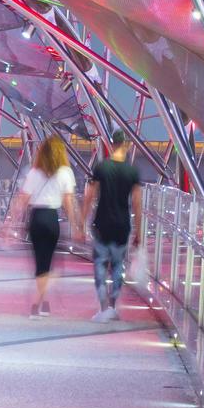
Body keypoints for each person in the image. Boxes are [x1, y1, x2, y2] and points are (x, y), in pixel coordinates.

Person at [13, 135, 79, 319]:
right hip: (51, 218)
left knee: (40, 264)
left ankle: (42, 303)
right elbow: (68, 202)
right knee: (49, 264)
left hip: (36, 218)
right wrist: (75, 225)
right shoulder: (66, 172)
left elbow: (23, 200)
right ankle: (37, 303)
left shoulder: (34, 172)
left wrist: (10, 222)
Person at [82, 131, 142, 322]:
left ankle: (102, 308)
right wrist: (139, 231)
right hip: (122, 225)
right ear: (126, 145)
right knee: (117, 266)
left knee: (100, 264)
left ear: (112, 144)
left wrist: (82, 221)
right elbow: (137, 204)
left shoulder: (102, 167)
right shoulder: (132, 172)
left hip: (102, 223)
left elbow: (89, 195)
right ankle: (113, 307)